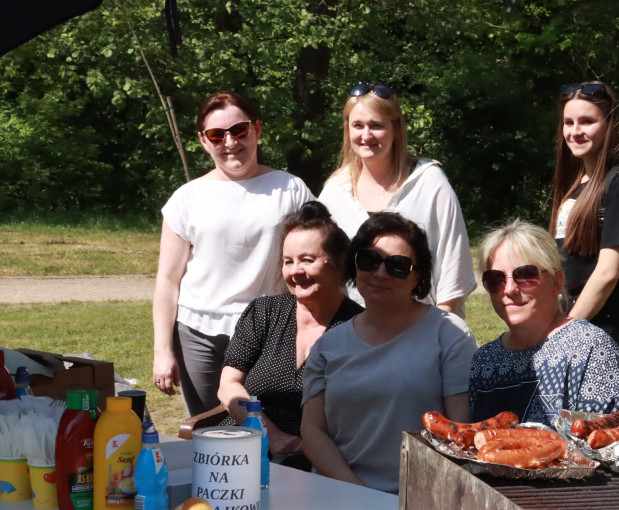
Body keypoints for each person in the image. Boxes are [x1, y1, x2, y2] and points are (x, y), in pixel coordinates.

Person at [301, 212, 503, 510]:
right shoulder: (329, 346)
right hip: (341, 496)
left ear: (419, 277)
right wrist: (360, 497)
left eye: (398, 265)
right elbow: (313, 433)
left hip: (419, 504)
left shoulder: (447, 333)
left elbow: (459, 432)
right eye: (370, 259)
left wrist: (397, 507)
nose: (379, 273)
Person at [153, 91, 315, 416]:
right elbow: (168, 281)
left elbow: (320, 259)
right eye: (217, 134)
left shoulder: (291, 190)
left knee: (268, 429)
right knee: (207, 433)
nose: (230, 142)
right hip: (199, 336)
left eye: (239, 130)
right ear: (203, 141)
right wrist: (163, 351)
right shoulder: (187, 198)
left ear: (257, 129)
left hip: (269, 331)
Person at [216, 200, 362, 465]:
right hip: (242, 443)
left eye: (307, 260)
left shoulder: (358, 327)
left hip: (314, 458)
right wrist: (269, 435)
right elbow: (228, 386)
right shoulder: (265, 312)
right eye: (288, 261)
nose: (295, 271)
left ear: (339, 264)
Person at [318, 82, 476, 316]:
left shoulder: (429, 183)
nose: (366, 135)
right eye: (358, 125)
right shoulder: (335, 191)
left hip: (420, 331)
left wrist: (441, 335)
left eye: (376, 125)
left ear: (396, 130)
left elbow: (452, 274)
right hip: (353, 333)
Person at [470, 219, 619, 426]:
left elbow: (601, 446)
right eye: (496, 279)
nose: (509, 289)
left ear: (557, 280)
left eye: (526, 275)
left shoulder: (590, 349)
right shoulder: (484, 361)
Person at [549, 81, 619, 371]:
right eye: (568, 122)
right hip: (574, 324)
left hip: (602, 337)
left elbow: (609, 271)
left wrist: (566, 330)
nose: (575, 131)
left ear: (610, 125)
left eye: (587, 121)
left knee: (599, 419)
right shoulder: (576, 183)